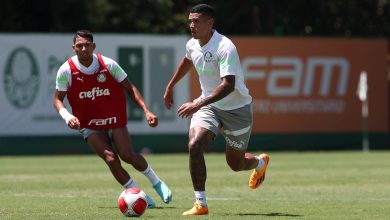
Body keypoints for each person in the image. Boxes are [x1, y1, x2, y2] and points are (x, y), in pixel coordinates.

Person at [163, 4, 269, 215]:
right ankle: (200, 203)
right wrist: (170, 85)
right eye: (190, 21)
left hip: (237, 108)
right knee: (194, 144)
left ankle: (259, 162)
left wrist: (197, 104)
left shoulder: (225, 46)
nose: (192, 25)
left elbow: (228, 85)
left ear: (210, 23)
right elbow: (187, 60)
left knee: (236, 164)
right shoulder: (192, 44)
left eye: (197, 21)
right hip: (209, 106)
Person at [53, 30, 172, 208]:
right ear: (73, 48)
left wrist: (147, 111)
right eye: (79, 46)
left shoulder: (108, 64)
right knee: (110, 158)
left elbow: (130, 88)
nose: (84, 49)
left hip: (114, 119)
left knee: (127, 155)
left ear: (94, 46)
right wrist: (67, 116)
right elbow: (57, 99)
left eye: (87, 45)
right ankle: (138, 194)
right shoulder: (66, 70)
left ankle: (156, 182)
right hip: (89, 123)